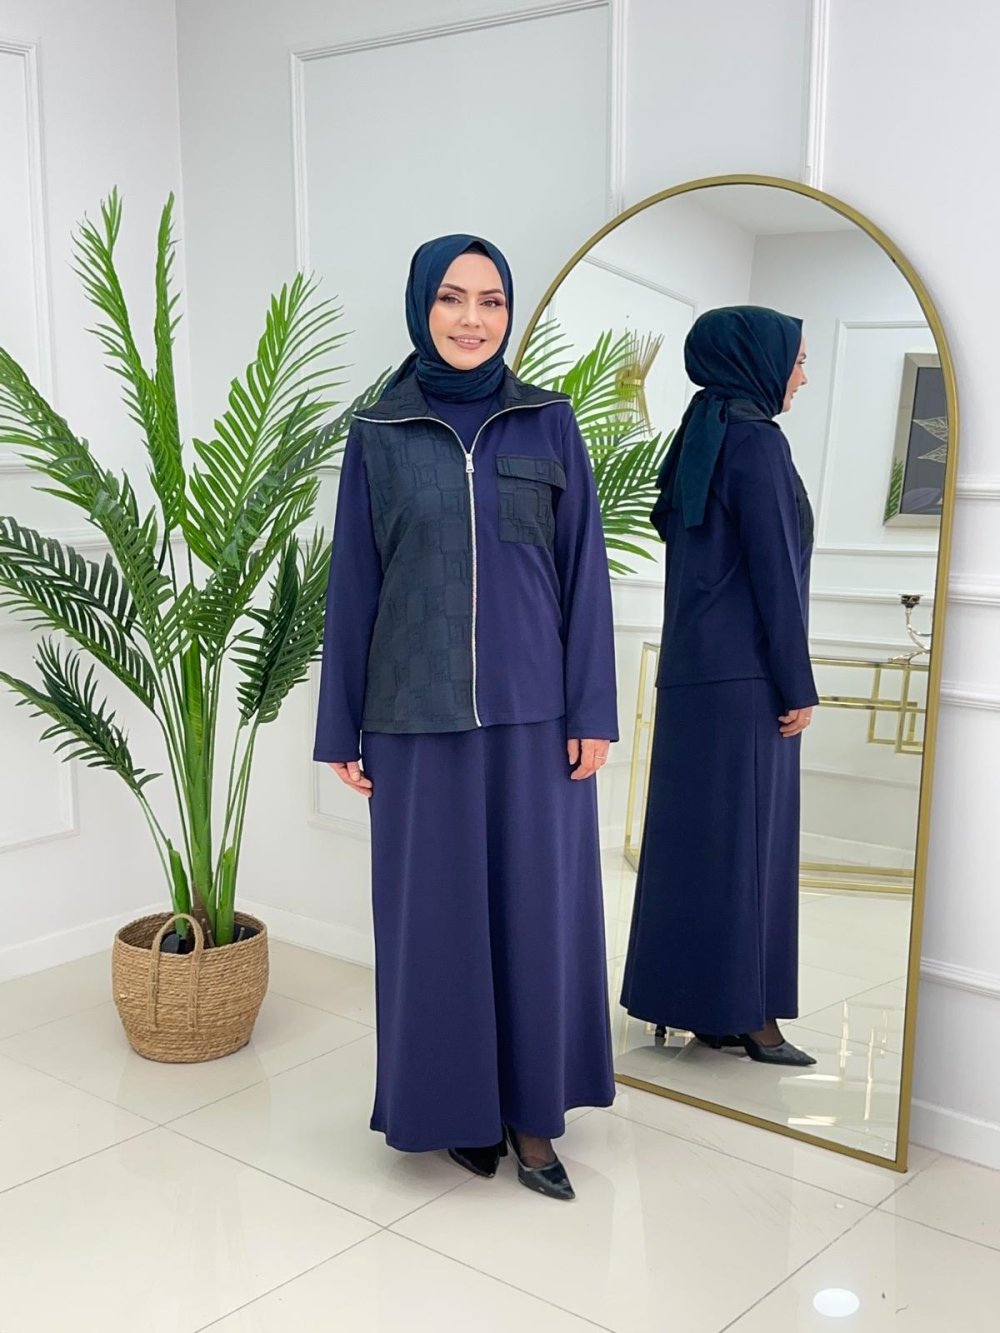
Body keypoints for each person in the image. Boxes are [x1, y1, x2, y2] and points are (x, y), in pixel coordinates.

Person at [313, 234, 619, 1200]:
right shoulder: (379, 431)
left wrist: (592, 708)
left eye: (491, 300)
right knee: (435, 923)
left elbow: (585, 572)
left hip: (537, 717)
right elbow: (354, 583)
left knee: (537, 915)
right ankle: (457, 1110)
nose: (473, 318)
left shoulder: (548, 421)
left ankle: (533, 1116)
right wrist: (341, 727)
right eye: (452, 298)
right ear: (422, 307)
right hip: (414, 716)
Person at [620, 305, 819, 1067]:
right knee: (746, 851)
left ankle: (696, 1005)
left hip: (691, 677)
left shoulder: (700, 431)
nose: (802, 376)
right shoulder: (757, 441)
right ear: (757, 359)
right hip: (746, 683)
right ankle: (751, 1019)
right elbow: (773, 571)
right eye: (798, 359)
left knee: (693, 846)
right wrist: (796, 683)